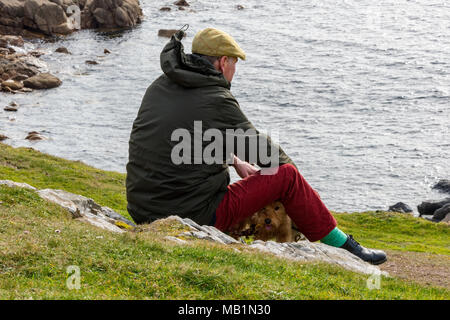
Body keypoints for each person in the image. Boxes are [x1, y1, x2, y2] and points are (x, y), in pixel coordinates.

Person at [126, 27, 387, 265]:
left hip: (142, 206)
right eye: (234, 63)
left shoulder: (161, 85)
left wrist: (235, 161)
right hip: (191, 213)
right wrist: (301, 191)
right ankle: (345, 246)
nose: (234, 71)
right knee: (287, 176)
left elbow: (186, 136)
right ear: (223, 62)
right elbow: (267, 154)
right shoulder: (215, 97)